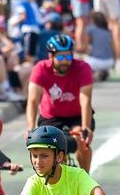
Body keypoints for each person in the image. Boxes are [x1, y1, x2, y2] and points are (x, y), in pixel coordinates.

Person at [26, 34, 95, 172]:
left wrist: (86, 128)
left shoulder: (83, 68)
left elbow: (85, 99)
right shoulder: (41, 69)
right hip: (51, 116)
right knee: (53, 148)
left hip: (77, 115)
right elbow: (33, 100)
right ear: (51, 56)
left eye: (68, 57)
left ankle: (86, 180)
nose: (65, 61)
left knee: (82, 141)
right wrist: (30, 128)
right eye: (61, 57)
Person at [84, 12, 116, 81]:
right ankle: (103, 72)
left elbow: (86, 45)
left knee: (83, 61)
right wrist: (114, 62)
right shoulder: (108, 31)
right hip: (110, 62)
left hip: (96, 62)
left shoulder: (90, 29)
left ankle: (92, 74)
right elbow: (113, 48)